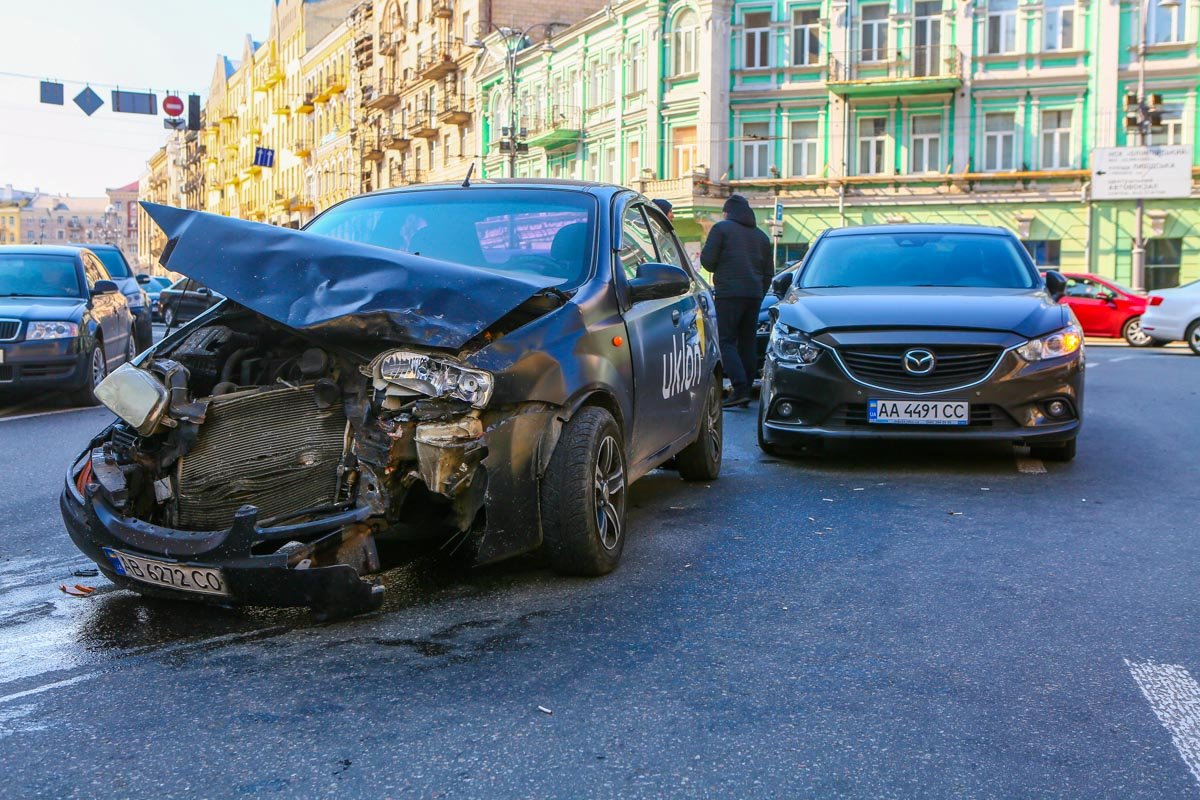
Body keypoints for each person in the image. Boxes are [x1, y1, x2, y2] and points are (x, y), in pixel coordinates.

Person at [700, 194, 773, 409]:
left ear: (727, 212)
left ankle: (739, 387)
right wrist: (759, 292)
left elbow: (707, 262)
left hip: (729, 294)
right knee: (747, 342)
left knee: (726, 340)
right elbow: (769, 272)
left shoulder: (721, 229)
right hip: (754, 295)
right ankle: (746, 388)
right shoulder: (761, 237)